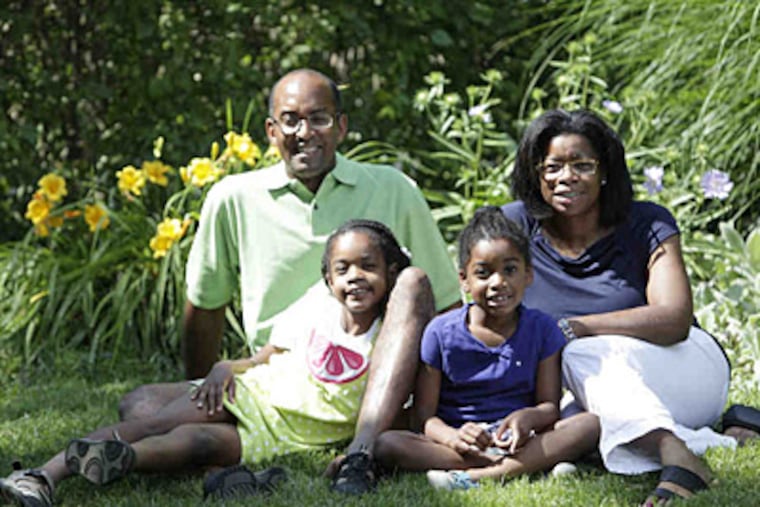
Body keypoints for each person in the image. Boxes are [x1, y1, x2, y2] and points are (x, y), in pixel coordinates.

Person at [116, 69, 461, 494]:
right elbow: (205, 309)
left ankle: (362, 447)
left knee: (412, 280)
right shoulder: (233, 197)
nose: (304, 132)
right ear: (271, 130)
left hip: (374, 377)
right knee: (139, 404)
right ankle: (230, 449)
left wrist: (457, 402)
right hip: (278, 379)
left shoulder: (393, 188)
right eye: (291, 119)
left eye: (319, 118)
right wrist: (203, 395)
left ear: (342, 126)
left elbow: (443, 304)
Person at [0, 219, 411, 506]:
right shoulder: (317, 310)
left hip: (282, 437)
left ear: (392, 273)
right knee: (155, 422)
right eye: (343, 269)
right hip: (248, 394)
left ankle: (124, 459)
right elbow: (264, 358)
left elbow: (391, 402)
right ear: (329, 280)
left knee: (197, 443)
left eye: (368, 266)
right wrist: (223, 368)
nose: (355, 276)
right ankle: (44, 476)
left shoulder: (392, 337)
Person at [502, 108, 750, 504]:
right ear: (535, 173)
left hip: (683, 366)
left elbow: (674, 319)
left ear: (605, 171)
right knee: (575, 422)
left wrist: (577, 327)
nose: (566, 177)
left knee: (582, 352)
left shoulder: (647, 222)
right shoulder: (514, 226)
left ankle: (676, 454)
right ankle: (719, 436)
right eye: (552, 166)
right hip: (587, 388)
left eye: (581, 165)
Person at [373, 206, 599, 490]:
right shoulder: (440, 333)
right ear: (464, 280)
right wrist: (453, 438)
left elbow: (548, 407)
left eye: (510, 270)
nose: (498, 283)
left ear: (528, 275)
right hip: (460, 443)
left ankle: (475, 477)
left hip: (519, 439)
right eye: (483, 273)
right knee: (388, 444)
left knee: (588, 425)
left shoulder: (542, 329)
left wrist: (525, 418)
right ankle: (531, 465)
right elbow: (424, 417)